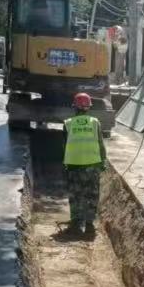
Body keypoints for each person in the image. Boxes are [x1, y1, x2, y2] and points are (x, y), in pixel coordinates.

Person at [62, 92, 107, 239]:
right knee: (92, 194)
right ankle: (89, 225)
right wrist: (103, 162)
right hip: (93, 165)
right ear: (88, 107)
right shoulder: (95, 123)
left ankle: (76, 224)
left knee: (76, 195)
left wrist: (64, 163)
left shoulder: (68, 123)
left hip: (74, 166)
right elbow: (101, 144)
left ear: (74, 107)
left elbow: (64, 146)